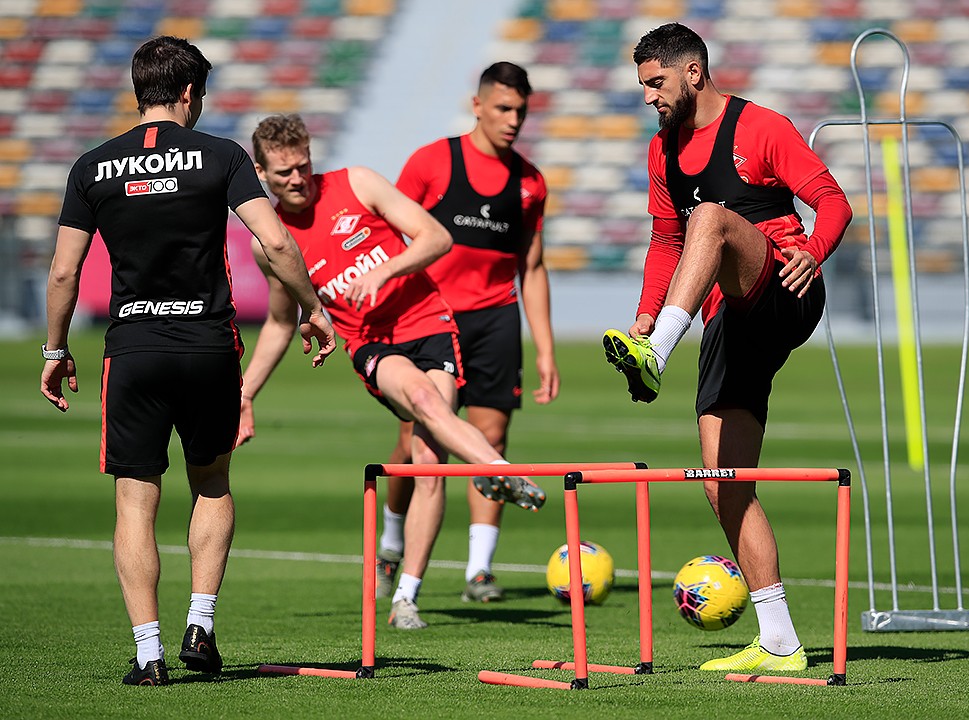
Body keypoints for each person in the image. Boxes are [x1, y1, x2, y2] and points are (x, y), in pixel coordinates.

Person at [39, 36, 336, 687]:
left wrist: (57, 349)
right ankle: (200, 624)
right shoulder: (222, 156)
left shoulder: (92, 165)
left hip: (134, 351)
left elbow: (64, 273)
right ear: (190, 93)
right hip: (208, 348)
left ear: (138, 90)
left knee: (134, 501)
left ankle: (148, 654)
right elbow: (277, 241)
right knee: (212, 483)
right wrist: (313, 306)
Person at [603, 23, 852, 673]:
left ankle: (658, 353)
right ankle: (780, 641)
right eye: (643, 86)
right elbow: (664, 243)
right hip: (728, 323)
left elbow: (833, 201)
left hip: (785, 289)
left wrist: (815, 252)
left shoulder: (760, 126)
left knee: (709, 217)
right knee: (723, 482)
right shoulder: (662, 152)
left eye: (656, 83)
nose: (649, 96)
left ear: (693, 73)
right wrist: (641, 317)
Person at [239, 113, 546, 630]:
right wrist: (245, 393)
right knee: (426, 403)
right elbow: (278, 323)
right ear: (261, 172)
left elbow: (436, 237)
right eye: (284, 172)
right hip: (371, 344)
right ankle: (499, 471)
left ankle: (406, 595)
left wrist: (384, 269)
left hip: (429, 321)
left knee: (429, 457)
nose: (298, 179)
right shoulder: (269, 241)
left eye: (304, 165)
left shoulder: (357, 182)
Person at [374, 61, 559, 604]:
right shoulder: (432, 163)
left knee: (493, 440)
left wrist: (546, 349)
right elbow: (390, 239)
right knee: (416, 441)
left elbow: (534, 266)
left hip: (496, 319)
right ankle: (391, 543)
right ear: (477, 105)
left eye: (521, 111)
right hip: (429, 319)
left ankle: (479, 570)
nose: (513, 120)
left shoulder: (530, 182)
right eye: (503, 108)